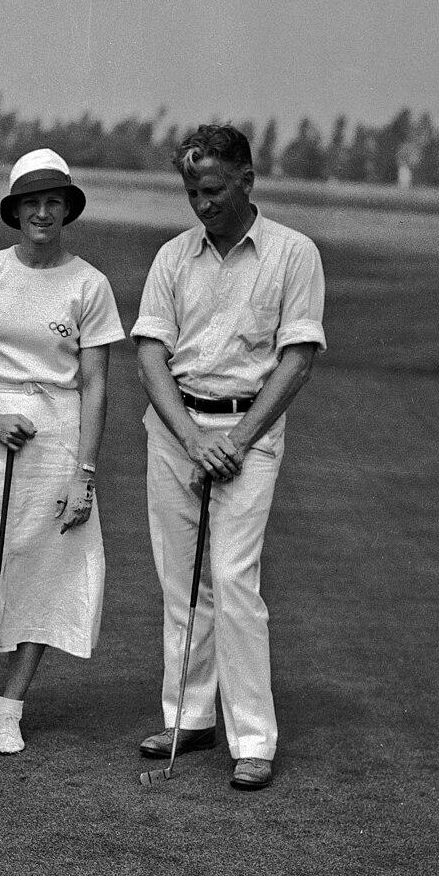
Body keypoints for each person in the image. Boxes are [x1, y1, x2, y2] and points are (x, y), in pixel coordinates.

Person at [132, 124, 326, 791]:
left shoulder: (294, 253)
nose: (202, 203)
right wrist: (190, 435)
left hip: (250, 434)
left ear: (247, 179)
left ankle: (252, 736)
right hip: (177, 429)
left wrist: (235, 442)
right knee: (181, 579)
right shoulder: (173, 257)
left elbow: (297, 358)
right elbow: (151, 353)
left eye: (212, 189)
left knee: (235, 580)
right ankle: (188, 717)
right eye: (191, 191)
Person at [0, 149, 125, 759]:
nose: (43, 212)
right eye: (31, 203)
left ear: (67, 209)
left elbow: (95, 384)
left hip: (60, 436)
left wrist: (84, 474)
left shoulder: (90, 284)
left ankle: (9, 708)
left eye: (53, 202)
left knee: (42, 569)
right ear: (15, 210)